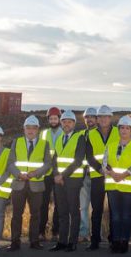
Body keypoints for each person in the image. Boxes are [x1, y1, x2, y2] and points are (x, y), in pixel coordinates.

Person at [8, 115, 53, 251]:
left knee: (36, 214)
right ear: (24, 129)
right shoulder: (17, 142)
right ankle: (15, 241)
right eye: (28, 128)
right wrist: (18, 174)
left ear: (38, 129)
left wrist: (36, 173)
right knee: (16, 214)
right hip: (18, 183)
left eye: (33, 128)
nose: (30, 130)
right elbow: (10, 163)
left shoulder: (44, 144)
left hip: (36, 184)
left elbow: (48, 163)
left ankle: (34, 241)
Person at [104, 115, 131, 254]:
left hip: (129, 187)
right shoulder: (110, 146)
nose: (124, 130)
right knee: (115, 216)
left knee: (126, 215)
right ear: (119, 129)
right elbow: (105, 164)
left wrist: (122, 175)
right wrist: (113, 174)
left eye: (127, 128)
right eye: (122, 128)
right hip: (113, 186)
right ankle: (115, 241)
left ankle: (124, 241)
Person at [51, 110, 87, 252]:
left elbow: (78, 161)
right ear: (61, 123)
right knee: (62, 212)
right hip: (59, 181)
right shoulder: (60, 138)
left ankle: (72, 242)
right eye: (64, 121)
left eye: (69, 122)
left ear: (74, 123)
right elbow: (55, 160)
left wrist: (62, 176)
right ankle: (62, 241)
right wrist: (56, 175)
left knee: (74, 212)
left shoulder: (79, 138)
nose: (66, 124)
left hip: (73, 181)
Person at [85, 104, 119, 250]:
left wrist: (110, 170)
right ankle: (95, 239)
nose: (104, 119)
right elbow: (89, 156)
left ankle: (113, 239)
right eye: (101, 117)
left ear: (110, 118)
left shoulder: (119, 132)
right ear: (97, 119)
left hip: (114, 176)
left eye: (106, 116)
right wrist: (100, 169)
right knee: (97, 209)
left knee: (113, 209)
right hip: (97, 176)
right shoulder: (91, 134)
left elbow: (122, 152)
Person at [41, 106, 64, 241]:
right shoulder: (43, 134)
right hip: (45, 174)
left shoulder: (64, 133)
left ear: (59, 119)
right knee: (43, 204)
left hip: (58, 173)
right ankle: (41, 232)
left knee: (59, 203)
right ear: (48, 120)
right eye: (51, 118)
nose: (53, 120)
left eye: (55, 118)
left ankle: (56, 231)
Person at [79, 107, 98, 244]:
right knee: (83, 206)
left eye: (92, 116)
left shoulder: (100, 135)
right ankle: (83, 233)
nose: (89, 119)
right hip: (83, 175)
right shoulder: (80, 134)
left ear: (96, 119)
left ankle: (96, 234)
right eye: (87, 117)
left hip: (97, 175)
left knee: (97, 207)